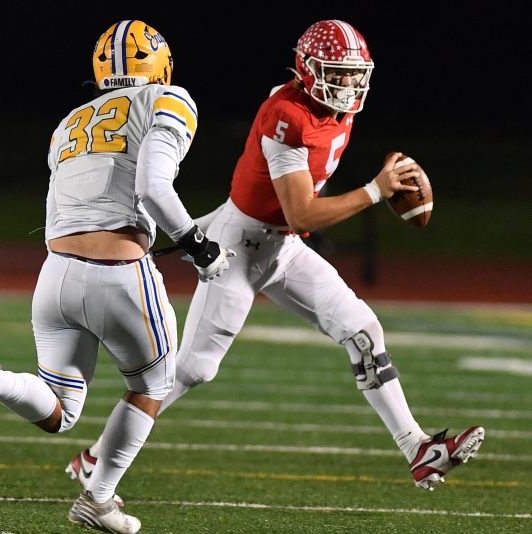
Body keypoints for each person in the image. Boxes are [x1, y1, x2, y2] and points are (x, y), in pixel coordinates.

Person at [66, 19, 486, 497]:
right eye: (337, 72)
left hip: (280, 245)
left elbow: (285, 210)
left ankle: (417, 448)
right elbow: (302, 209)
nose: (348, 84)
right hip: (240, 250)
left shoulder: (327, 107)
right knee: (192, 370)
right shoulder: (287, 117)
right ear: (308, 71)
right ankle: (95, 458)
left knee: (362, 329)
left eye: (353, 73)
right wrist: (375, 191)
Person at [0, 19, 234, 534]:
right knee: (153, 384)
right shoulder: (169, 98)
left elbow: (75, 206)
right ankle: (99, 497)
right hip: (118, 273)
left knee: (62, 411)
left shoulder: (69, 121)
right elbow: (153, 186)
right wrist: (198, 246)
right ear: (159, 65)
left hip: (55, 278)